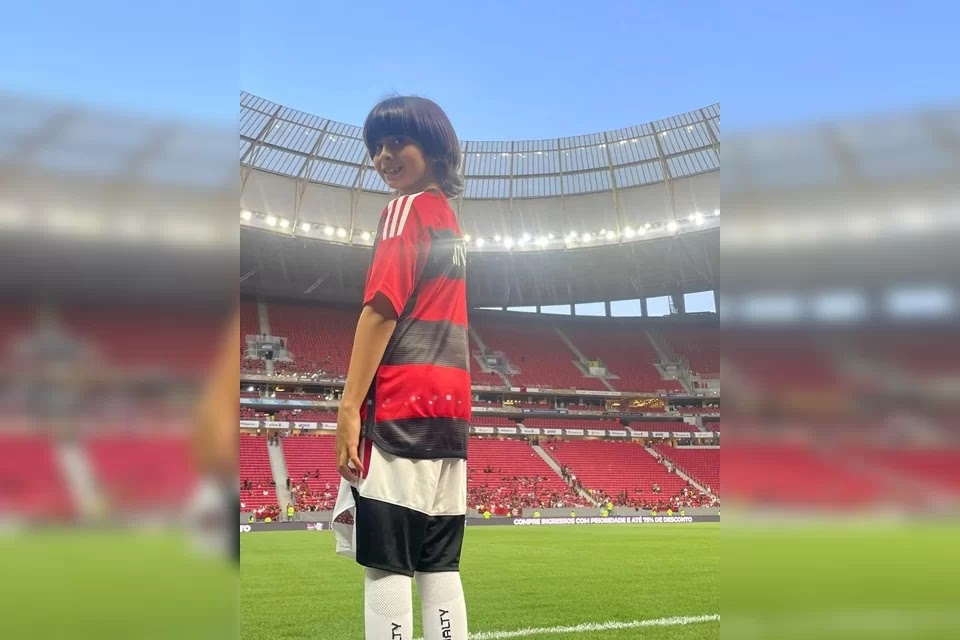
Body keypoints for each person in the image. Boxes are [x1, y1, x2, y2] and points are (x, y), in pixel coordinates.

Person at [331, 95, 469, 640]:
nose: (384, 156)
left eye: (397, 142)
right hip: (450, 411)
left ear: (433, 148)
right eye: (377, 147)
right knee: (438, 564)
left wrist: (348, 407)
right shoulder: (448, 219)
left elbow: (382, 309)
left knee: (386, 562)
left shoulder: (404, 210)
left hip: (402, 405)